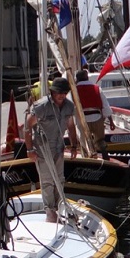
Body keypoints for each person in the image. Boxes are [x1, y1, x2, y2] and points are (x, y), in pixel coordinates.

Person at [24, 77, 79, 223]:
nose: (61, 95)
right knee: (47, 180)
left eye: (64, 92)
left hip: (59, 147)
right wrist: (29, 149)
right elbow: (27, 127)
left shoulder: (69, 106)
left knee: (59, 179)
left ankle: (59, 206)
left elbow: (71, 126)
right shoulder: (41, 106)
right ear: (52, 92)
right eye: (58, 92)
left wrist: (74, 146)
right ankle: (50, 210)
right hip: (42, 148)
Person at [75, 69, 113, 159]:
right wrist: (111, 121)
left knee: (84, 141)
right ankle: (103, 151)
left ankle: (87, 156)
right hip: (97, 117)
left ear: (77, 79)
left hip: (82, 118)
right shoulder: (97, 88)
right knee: (100, 139)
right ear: (87, 77)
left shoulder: (74, 91)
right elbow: (106, 106)